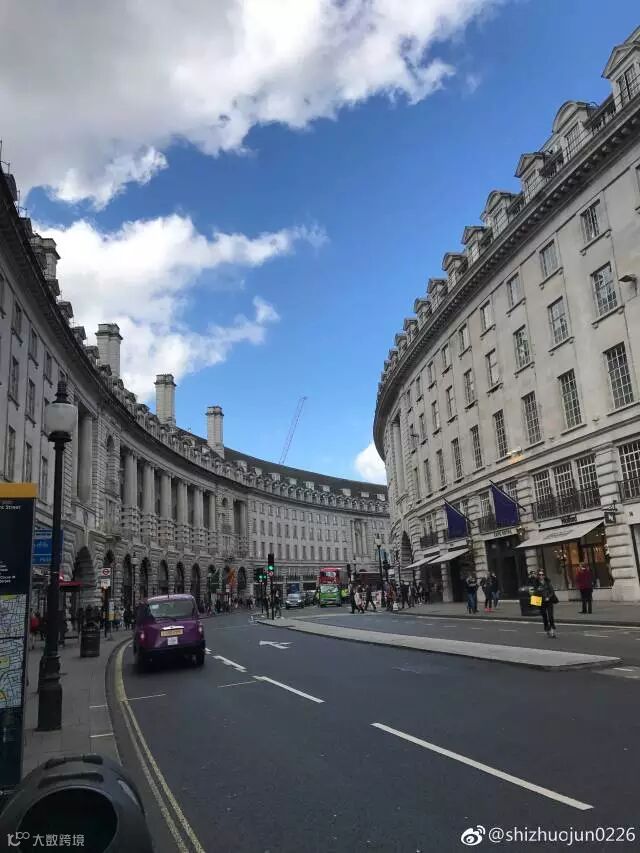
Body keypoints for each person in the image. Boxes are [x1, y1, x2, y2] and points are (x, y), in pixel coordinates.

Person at [533, 570, 558, 638]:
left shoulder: (548, 582)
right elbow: (534, 593)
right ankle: (547, 629)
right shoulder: (536, 584)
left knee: (550, 616)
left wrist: (548, 597)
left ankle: (552, 630)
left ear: (544, 576)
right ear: (538, 576)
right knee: (544, 617)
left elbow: (552, 592)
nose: (541, 576)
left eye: (542, 575)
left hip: (549, 601)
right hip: (541, 602)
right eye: (540, 575)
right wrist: (537, 590)